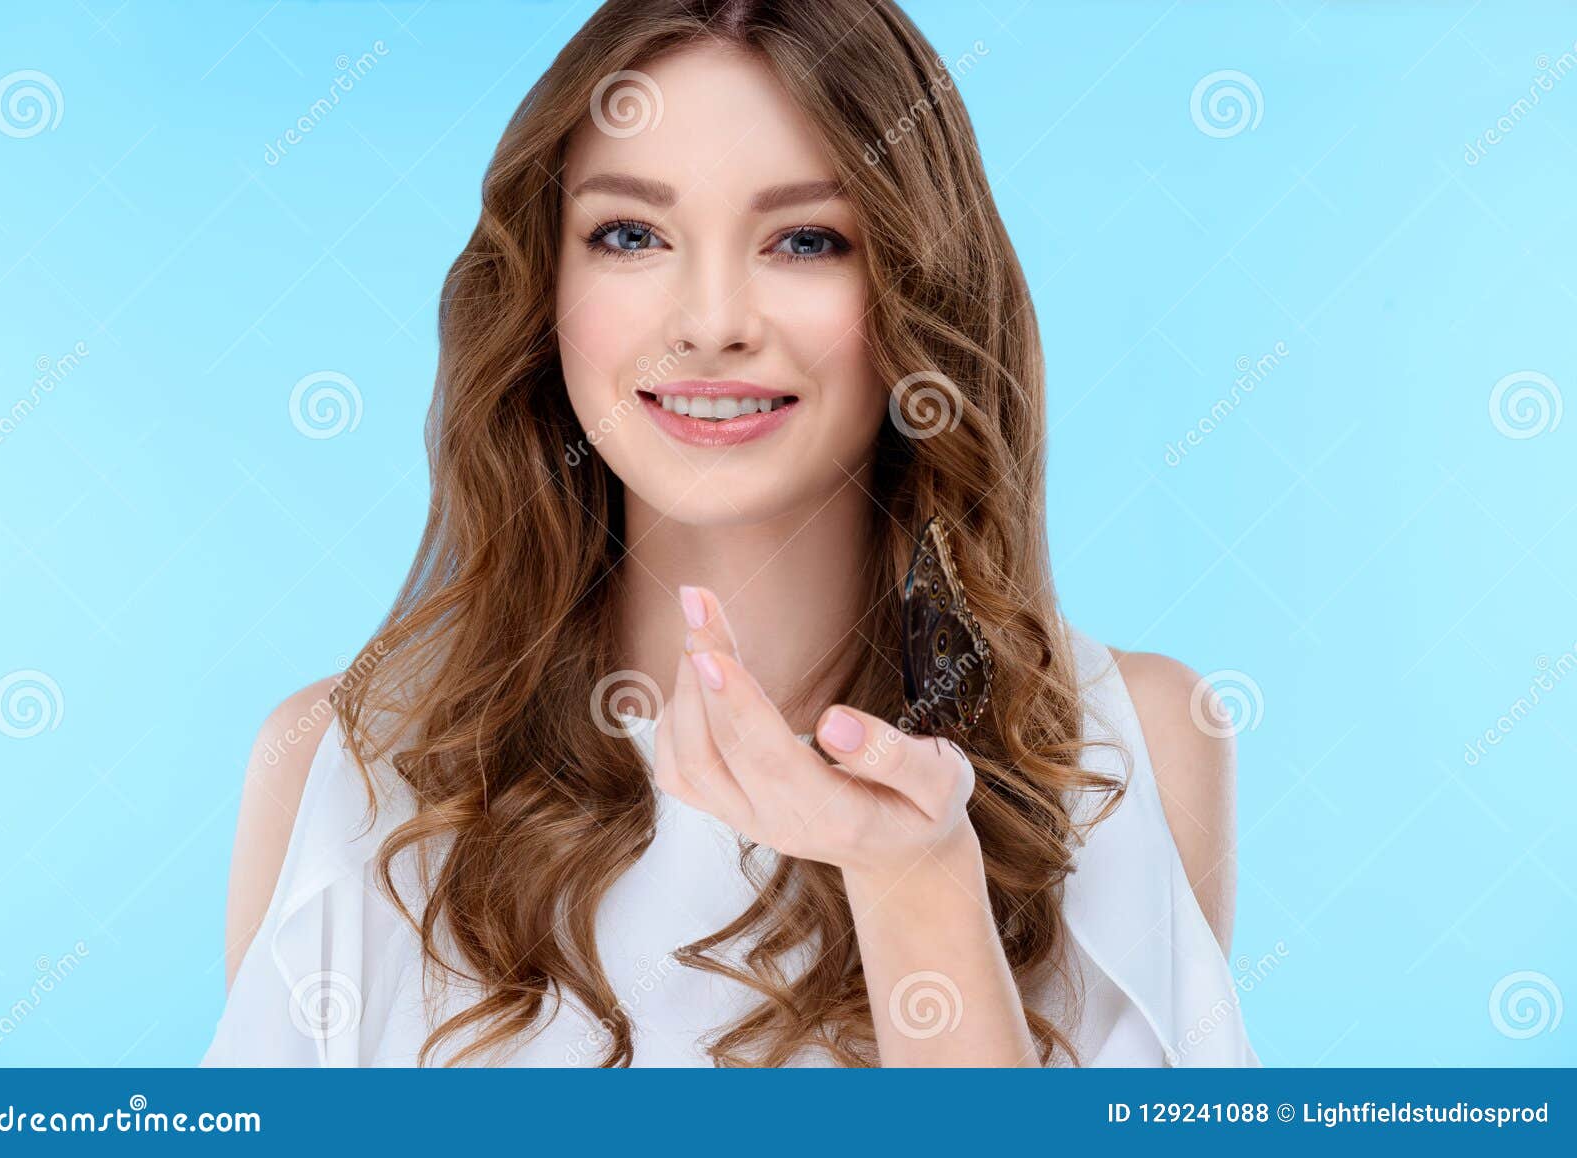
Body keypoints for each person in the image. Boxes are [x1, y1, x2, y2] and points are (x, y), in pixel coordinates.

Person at [202, 0, 1258, 1068]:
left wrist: (916, 878)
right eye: (630, 235)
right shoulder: (344, 773)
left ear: (917, 284)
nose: (710, 321)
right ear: (542, 293)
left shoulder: (1129, 751)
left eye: (805, 240)